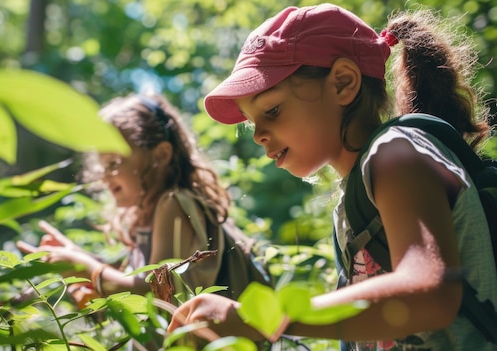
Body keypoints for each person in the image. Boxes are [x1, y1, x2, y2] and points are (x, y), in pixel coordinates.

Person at [167, 3, 497, 350]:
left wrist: (263, 318)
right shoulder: (356, 194)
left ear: (343, 83)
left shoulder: (395, 154)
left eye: (272, 110)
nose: (258, 135)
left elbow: (430, 293)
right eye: (252, 122)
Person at [17, 93, 232, 305]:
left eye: (113, 163)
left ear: (160, 156)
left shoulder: (173, 204)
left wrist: (85, 267)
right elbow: (136, 279)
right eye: (102, 166)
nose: (104, 176)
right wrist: (77, 255)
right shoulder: (147, 213)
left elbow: (157, 293)